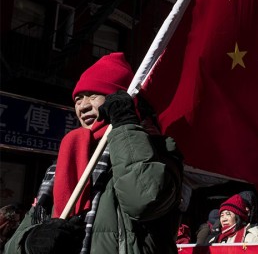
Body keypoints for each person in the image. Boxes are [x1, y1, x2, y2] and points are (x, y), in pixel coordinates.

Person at [5, 52, 183, 254]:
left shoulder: (160, 148)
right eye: (78, 99)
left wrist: (124, 125)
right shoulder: (67, 158)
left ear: (120, 100)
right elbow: (12, 247)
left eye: (93, 95)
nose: (83, 106)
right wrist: (31, 242)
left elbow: (144, 199)